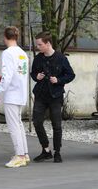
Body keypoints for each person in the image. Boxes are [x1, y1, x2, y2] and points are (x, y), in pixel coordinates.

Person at [31, 31, 75, 163]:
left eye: (40, 44)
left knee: (57, 125)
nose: (38, 47)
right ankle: (45, 150)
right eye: (37, 44)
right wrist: (36, 77)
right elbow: (33, 73)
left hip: (55, 96)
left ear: (48, 43)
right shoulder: (38, 58)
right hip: (40, 94)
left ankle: (57, 152)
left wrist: (59, 80)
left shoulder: (61, 58)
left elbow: (71, 75)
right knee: (37, 122)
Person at [0, 26, 30, 168]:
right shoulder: (23, 54)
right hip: (21, 93)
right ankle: (24, 153)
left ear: (5, 37)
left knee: (14, 126)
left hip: (12, 94)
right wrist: (5, 78)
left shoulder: (7, 53)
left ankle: (19, 155)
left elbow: (8, 76)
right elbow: (19, 74)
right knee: (19, 124)